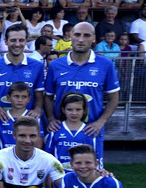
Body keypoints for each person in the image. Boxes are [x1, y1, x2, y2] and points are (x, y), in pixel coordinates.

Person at [44, 22, 120, 161]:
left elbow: (114, 99)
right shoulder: (56, 65)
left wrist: (100, 122)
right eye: (77, 34)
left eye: (86, 35)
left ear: (94, 39)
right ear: (70, 36)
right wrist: (51, 119)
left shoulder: (105, 64)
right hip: (61, 131)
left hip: (91, 131)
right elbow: (48, 97)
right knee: (56, 173)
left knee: (92, 173)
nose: (81, 39)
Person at [0, 24, 44, 121]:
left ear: (26, 41)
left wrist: (37, 109)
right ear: (6, 41)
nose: (17, 44)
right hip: (0, 120)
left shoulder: (37, 66)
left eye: (21, 40)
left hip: (26, 120)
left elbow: (39, 94)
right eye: (13, 40)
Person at [44, 93, 102, 169]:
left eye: (78, 109)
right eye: (69, 109)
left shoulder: (89, 131)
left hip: (82, 173)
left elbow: (96, 156)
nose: (74, 113)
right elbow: (48, 155)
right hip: (59, 173)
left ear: (84, 110)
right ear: (63, 110)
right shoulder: (55, 129)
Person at [0, 82, 43, 150]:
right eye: (16, 96)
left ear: (29, 99)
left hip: (26, 156)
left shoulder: (34, 117)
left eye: (24, 97)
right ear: (8, 98)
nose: (20, 100)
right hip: (4, 157)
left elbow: (38, 144)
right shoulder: (0, 117)